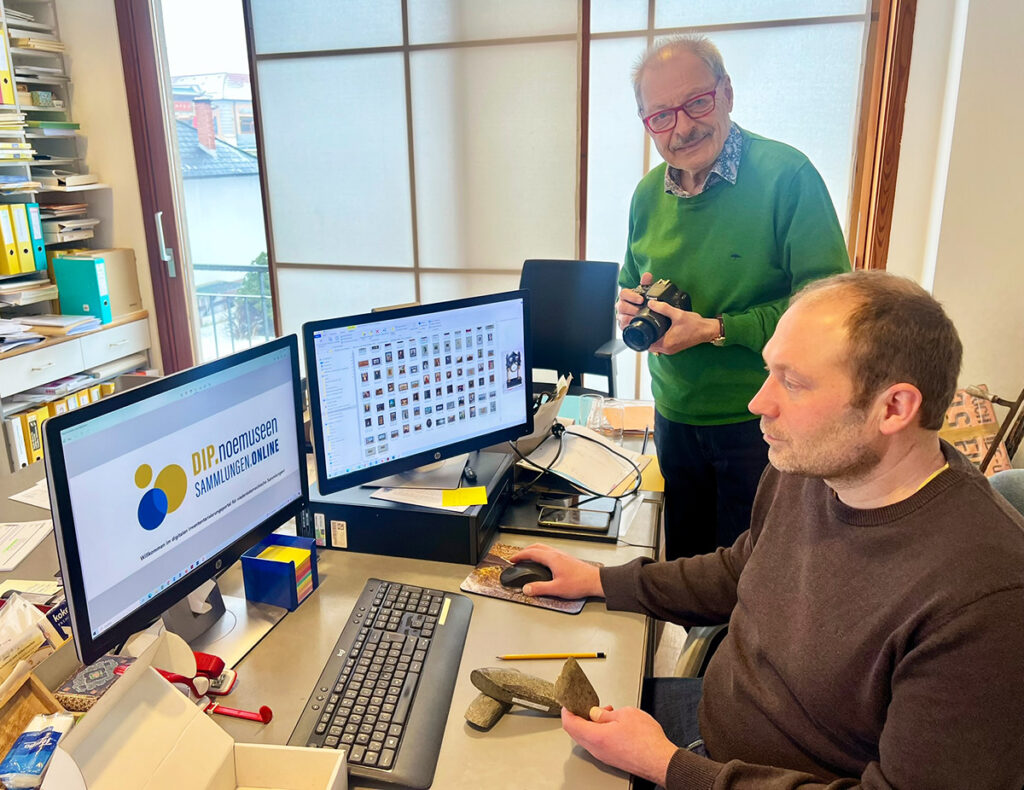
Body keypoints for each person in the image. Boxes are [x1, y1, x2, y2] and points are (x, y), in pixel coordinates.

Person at [515, 270, 1024, 788]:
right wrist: (601, 580)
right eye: (769, 372)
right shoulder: (810, 468)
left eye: (793, 383)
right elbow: (743, 568)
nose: (759, 403)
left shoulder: (987, 603)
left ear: (893, 407)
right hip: (705, 733)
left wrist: (668, 766)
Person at [616, 35, 850, 559]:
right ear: (647, 123)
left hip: (761, 419)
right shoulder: (648, 193)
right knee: (685, 565)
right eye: (661, 116)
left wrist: (717, 330)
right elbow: (631, 278)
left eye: (697, 103)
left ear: (726, 93)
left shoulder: (788, 176)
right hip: (674, 414)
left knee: (754, 573)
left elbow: (830, 309)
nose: (682, 128)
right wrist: (630, 306)